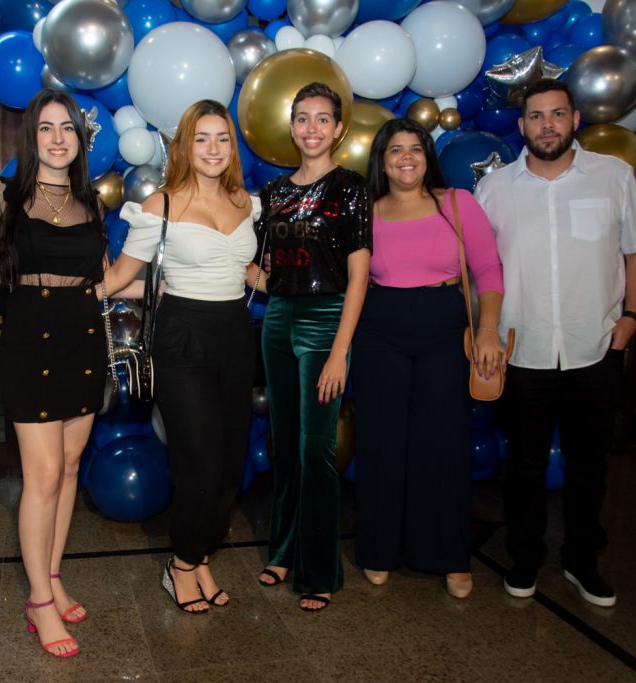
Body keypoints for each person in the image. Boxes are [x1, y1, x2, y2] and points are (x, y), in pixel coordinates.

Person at [475, 79, 636, 607]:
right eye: (536, 117)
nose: (548, 125)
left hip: (594, 347)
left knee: (589, 464)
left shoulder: (612, 177)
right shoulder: (496, 189)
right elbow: (481, 269)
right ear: (522, 126)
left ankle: (582, 560)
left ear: (575, 119)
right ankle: (525, 557)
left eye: (557, 115)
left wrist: (631, 317)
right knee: (525, 465)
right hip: (523, 349)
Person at [103, 99, 260, 614]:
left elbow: (249, 271)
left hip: (236, 335)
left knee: (228, 464)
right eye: (201, 138)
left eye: (222, 138)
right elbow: (121, 276)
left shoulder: (247, 204)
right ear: (184, 147)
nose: (213, 149)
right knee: (199, 461)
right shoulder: (160, 207)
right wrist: (57, 286)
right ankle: (181, 565)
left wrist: (311, 283)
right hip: (182, 338)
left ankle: (200, 557)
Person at [351, 118, 504, 599]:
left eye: (415, 148)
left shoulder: (458, 203)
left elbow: (488, 271)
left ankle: (450, 557)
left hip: (444, 328)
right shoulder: (367, 211)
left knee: (444, 443)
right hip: (380, 329)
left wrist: (487, 330)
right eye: (395, 150)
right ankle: (378, 551)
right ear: (383, 160)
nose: (406, 157)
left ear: (426, 156)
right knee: (381, 444)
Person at [0, 89, 106, 657]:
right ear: (30, 137)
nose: (58, 139)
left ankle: (52, 576)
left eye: (68, 129)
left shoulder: (90, 201)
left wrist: (167, 259)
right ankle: (36, 601)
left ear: (79, 140)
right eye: (46, 128)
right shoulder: (0, 196)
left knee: (72, 465)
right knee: (44, 473)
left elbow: (104, 278)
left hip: (82, 337)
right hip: (30, 340)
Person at [254, 82, 372, 611]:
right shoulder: (274, 191)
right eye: (303, 118)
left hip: (327, 321)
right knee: (285, 442)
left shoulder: (351, 187)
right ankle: (281, 550)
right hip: (277, 320)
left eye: (322, 119)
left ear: (338, 129)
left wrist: (340, 349)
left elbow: (359, 277)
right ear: (292, 125)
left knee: (316, 448)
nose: (312, 128)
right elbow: (264, 270)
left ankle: (319, 568)